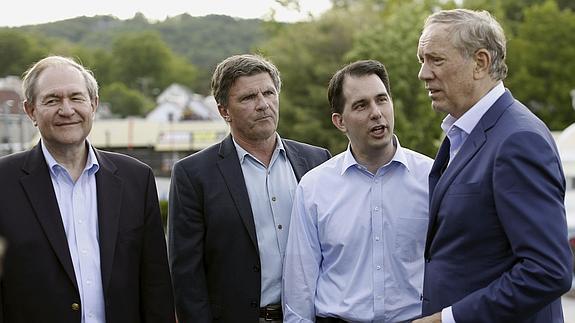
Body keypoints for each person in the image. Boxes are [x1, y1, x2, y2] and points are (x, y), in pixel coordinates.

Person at [414, 8, 573, 323]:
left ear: (480, 62)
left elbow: (548, 271)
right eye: (422, 61)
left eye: (436, 60)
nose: (424, 73)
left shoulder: (518, 139)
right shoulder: (462, 135)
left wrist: (448, 318)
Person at [0, 55, 175, 323]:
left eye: (76, 97)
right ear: (31, 111)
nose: (67, 109)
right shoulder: (4, 181)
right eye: (52, 100)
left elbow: (155, 283)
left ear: (93, 105)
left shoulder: (136, 179)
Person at [168, 53, 331, 323]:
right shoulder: (193, 174)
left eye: (269, 93)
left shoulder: (316, 161)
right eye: (248, 97)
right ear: (224, 110)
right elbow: (186, 274)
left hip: (312, 317)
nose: (263, 104)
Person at [282, 60, 433, 323]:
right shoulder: (314, 187)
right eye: (361, 105)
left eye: (382, 100)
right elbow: (300, 284)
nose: (376, 113)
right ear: (340, 121)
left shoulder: (431, 178)